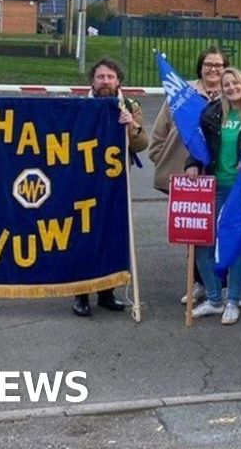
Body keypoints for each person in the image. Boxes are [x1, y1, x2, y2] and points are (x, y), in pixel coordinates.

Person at [186, 68, 241, 325]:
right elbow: (198, 144)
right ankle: (214, 299)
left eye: (235, 82)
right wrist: (191, 163)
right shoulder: (212, 113)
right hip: (213, 187)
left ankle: (233, 300)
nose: (231, 87)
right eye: (226, 84)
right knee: (203, 243)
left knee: (235, 245)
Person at [72, 57, 150, 317]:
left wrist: (131, 125)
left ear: (118, 81)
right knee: (84, 236)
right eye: (101, 77)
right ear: (92, 81)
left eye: (110, 77)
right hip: (83, 182)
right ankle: (81, 294)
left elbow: (141, 145)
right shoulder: (79, 106)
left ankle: (107, 292)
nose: (106, 81)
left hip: (116, 184)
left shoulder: (130, 106)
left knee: (112, 237)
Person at [149, 47, 227, 305]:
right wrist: (164, 159)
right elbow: (161, 132)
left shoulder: (231, 94)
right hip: (189, 177)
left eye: (218, 65)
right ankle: (197, 283)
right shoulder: (182, 94)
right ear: (200, 67)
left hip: (220, 176)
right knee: (194, 231)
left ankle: (219, 284)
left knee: (219, 232)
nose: (213, 69)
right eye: (208, 64)